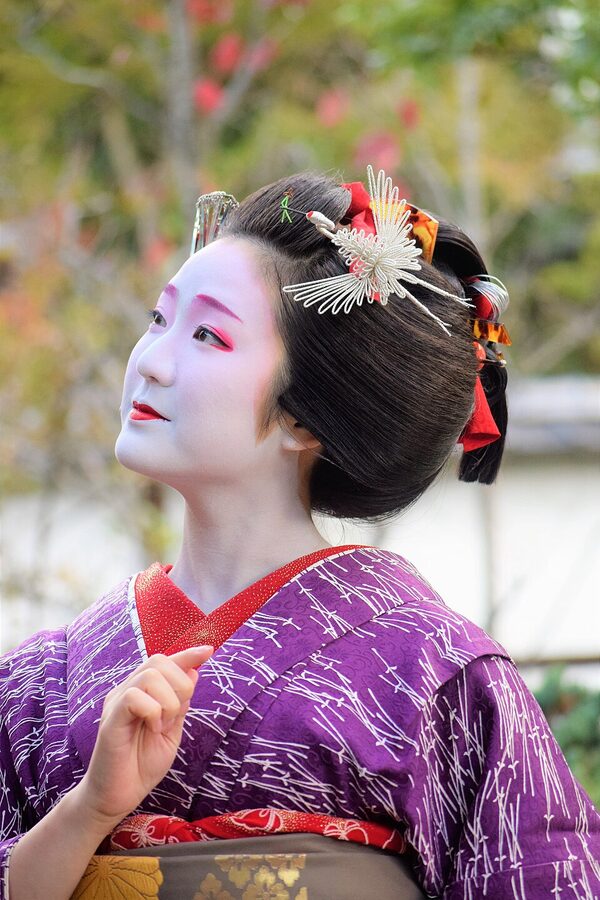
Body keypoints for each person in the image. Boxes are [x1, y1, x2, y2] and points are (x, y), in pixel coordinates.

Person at [1, 165, 599, 900]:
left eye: (208, 335)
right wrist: (88, 810)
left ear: (306, 414)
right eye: (159, 320)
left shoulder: (436, 674)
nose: (151, 362)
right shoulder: (33, 687)